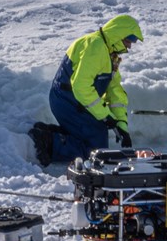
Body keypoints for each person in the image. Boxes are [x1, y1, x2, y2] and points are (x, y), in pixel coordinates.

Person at [30, 15, 143, 166]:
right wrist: (105, 115)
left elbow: (114, 90)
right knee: (96, 152)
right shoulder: (95, 47)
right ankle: (48, 142)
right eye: (128, 41)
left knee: (98, 138)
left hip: (80, 101)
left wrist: (120, 125)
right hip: (67, 99)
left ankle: (52, 133)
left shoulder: (111, 54)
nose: (129, 47)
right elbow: (80, 86)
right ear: (118, 35)